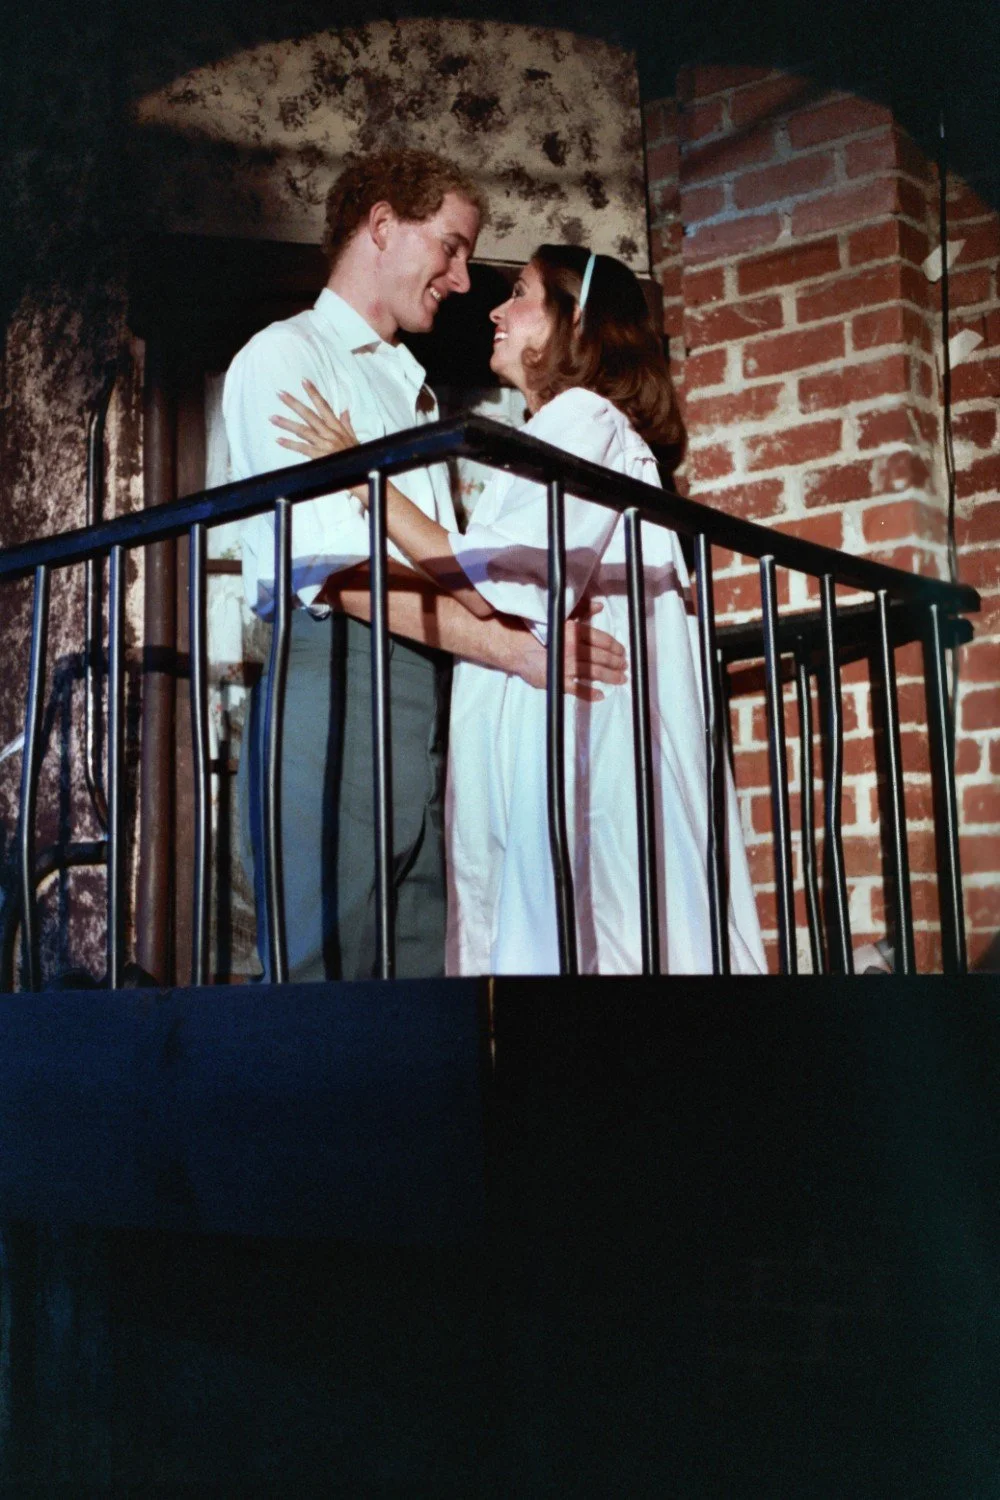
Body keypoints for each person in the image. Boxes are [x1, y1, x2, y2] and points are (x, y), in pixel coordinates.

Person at [271, 244, 766, 975]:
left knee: (586, 938)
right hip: (558, 720)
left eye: (522, 294)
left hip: (584, 734)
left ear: (574, 324)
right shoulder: (563, 430)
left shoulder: (583, 418)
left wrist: (362, 475)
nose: (496, 311)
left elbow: (485, 580)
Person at [223, 152, 626, 981]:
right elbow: (343, 578)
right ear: (380, 226)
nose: (462, 276)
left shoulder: (410, 390)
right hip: (336, 686)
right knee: (323, 988)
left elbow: (459, 579)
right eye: (450, 247)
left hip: (431, 706)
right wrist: (519, 653)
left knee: (419, 996)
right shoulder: (287, 356)